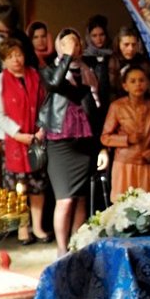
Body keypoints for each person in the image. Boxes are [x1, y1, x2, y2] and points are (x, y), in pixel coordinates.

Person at [40, 28, 98, 252]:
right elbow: (55, 84)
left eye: (76, 43)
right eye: (66, 44)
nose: (73, 47)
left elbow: (97, 104)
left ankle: (77, 246)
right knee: (65, 199)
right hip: (60, 142)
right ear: (59, 47)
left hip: (84, 141)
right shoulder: (50, 70)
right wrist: (66, 57)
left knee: (79, 198)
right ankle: (62, 250)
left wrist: (101, 146)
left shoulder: (88, 70)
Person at [0, 39, 50, 244]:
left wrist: (41, 129)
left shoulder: (35, 76)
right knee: (18, 187)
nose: (15, 60)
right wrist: (18, 134)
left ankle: (38, 226)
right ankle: (23, 227)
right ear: (3, 61)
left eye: (18, 55)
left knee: (37, 185)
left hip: (36, 137)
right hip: (13, 139)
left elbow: (45, 105)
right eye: (10, 56)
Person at [99, 61, 150, 200]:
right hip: (124, 164)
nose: (138, 84)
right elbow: (105, 137)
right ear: (125, 86)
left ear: (147, 84)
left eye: (141, 80)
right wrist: (126, 139)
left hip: (149, 162)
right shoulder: (117, 106)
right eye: (133, 81)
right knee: (124, 205)